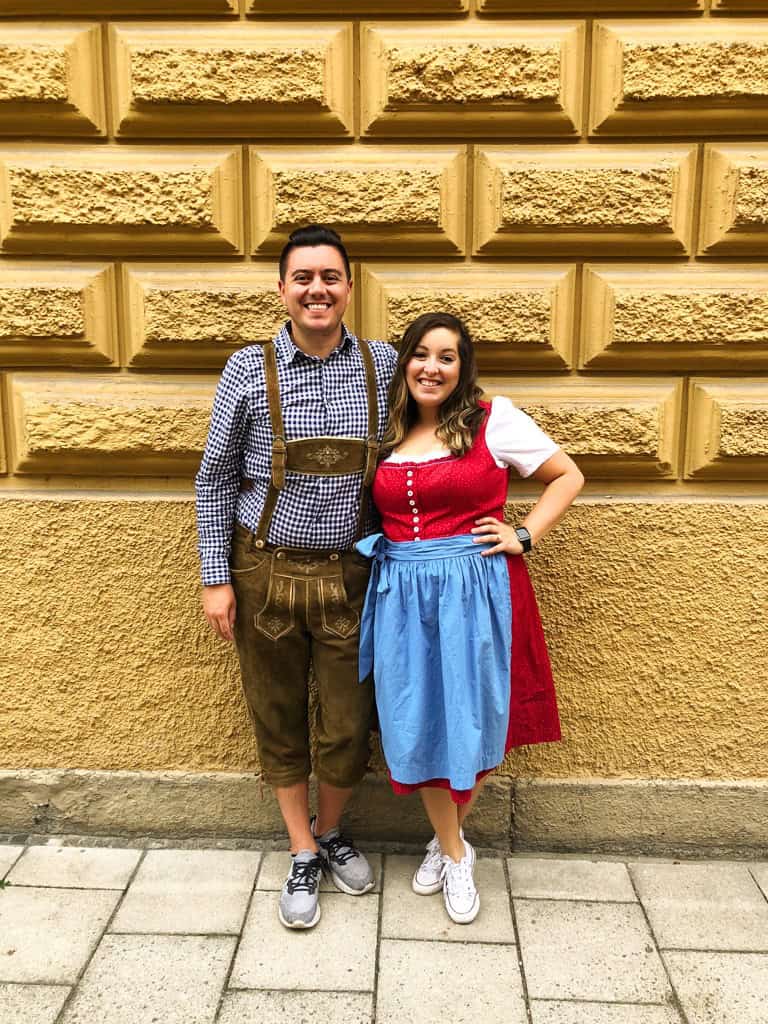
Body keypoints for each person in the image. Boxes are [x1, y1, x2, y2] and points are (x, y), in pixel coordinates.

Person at [195, 225, 397, 929]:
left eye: (331, 277)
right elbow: (215, 479)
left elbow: (445, 429)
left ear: (350, 287)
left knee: (348, 722)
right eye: (303, 277)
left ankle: (334, 827)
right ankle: (302, 846)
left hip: (353, 574)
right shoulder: (247, 369)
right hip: (263, 570)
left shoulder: (386, 363)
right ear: (282, 289)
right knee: (276, 713)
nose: (318, 289)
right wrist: (215, 577)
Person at [356, 312, 584, 925]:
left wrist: (524, 535)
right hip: (404, 594)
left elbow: (568, 475)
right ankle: (454, 846)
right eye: (421, 354)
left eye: (447, 357)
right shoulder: (389, 430)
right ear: (405, 363)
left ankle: (450, 849)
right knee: (419, 721)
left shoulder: (493, 419)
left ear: (463, 369)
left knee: (477, 718)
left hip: (479, 591)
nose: (432, 367)